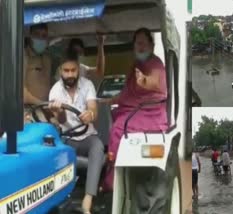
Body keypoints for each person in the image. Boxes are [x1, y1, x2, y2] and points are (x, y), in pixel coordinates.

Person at [101, 28, 168, 192]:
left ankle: (112, 179)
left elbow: (154, 81)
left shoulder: (156, 63)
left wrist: (144, 80)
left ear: (151, 45)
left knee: (117, 128)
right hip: (131, 110)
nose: (141, 47)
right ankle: (106, 161)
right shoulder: (135, 66)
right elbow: (126, 94)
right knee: (105, 119)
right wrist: (107, 101)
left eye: (144, 43)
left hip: (149, 114)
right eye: (138, 43)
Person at [48, 52, 105, 214]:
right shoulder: (55, 91)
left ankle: (88, 200)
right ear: (61, 71)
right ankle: (61, 198)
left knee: (98, 147)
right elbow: (61, 120)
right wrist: (58, 112)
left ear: (78, 70)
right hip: (67, 139)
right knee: (56, 153)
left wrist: (90, 115)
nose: (70, 74)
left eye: (73, 70)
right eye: (66, 71)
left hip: (88, 137)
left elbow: (93, 108)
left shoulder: (87, 85)